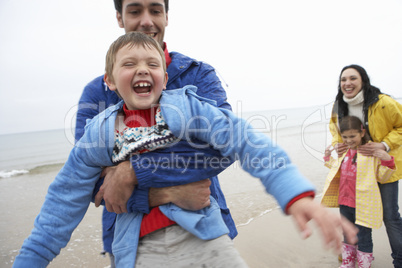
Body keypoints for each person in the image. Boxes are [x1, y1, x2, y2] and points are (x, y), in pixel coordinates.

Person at [14, 32, 358, 267]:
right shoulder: (99, 134)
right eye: (129, 64)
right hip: (138, 249)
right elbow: (63, 202)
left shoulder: (189, 108)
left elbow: (243, 139)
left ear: (165, 76)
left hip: (205, 236)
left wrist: (296, 195)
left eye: (152, 64)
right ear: (109, 80)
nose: (142, 70)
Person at [74, 1, 237, 265]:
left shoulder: (197, 75)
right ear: (119, 17)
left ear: (167, 16)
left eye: (155, 10)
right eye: (135, 11)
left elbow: (224, 146)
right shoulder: (96, 93)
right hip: (130, 242)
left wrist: (131, 171)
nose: (147, 21)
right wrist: (166, 193)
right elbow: (90, 180)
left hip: (204, 226)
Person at [329, 64, 402, 267]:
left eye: (353, 78)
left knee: (390, 216)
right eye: (343, 79)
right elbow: (334, 127)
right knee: (353, 214)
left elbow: (401, 125)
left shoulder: (383, 102)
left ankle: (400, 260)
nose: (347, 83)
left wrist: (385, 144)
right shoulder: (338, 104)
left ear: (363, 80)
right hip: (358, 170)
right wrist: (338, 144)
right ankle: (352, 255)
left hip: (384, 166)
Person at [322, 116, 396, 268]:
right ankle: (348, 263)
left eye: (352, 136)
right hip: (344, 201)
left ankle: (364, 264)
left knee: (363, 236)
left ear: (362, 133)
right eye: (345, 137)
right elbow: (336, 169)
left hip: (363, 204)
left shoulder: (370, 152)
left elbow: (382, 176)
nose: (348, 140)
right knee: (347, 233)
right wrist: (327, 156)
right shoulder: (344, 152)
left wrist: (388, 160)